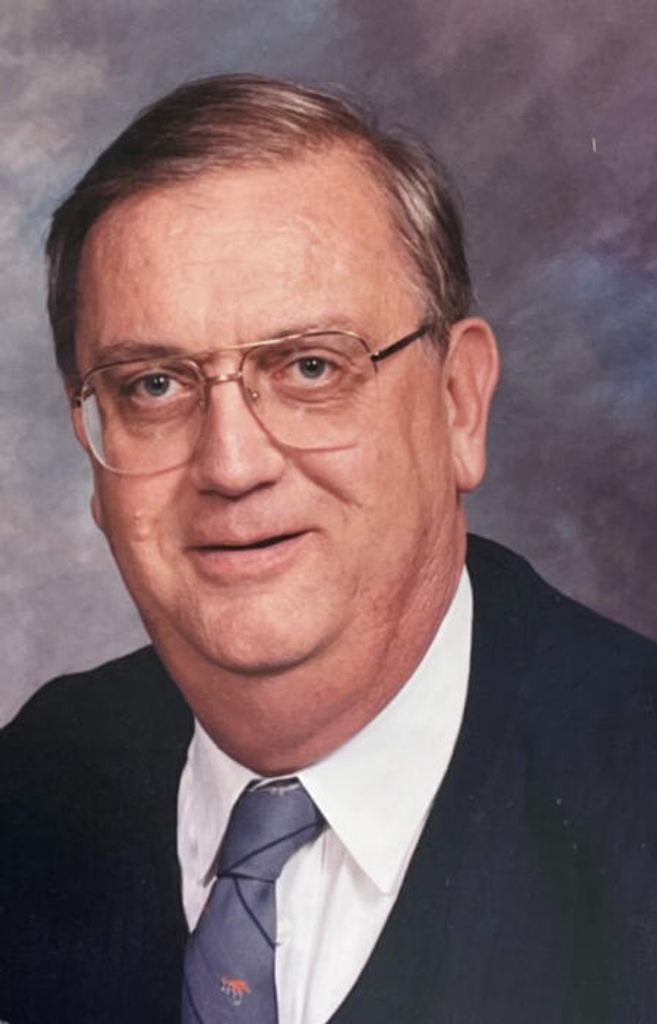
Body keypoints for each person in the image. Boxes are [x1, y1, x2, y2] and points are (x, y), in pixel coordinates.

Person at [1, 74, 655, 1024]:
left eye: (310, 366)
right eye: (153, 386)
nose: (231, 465)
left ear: (458, 405)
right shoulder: (35, 782)